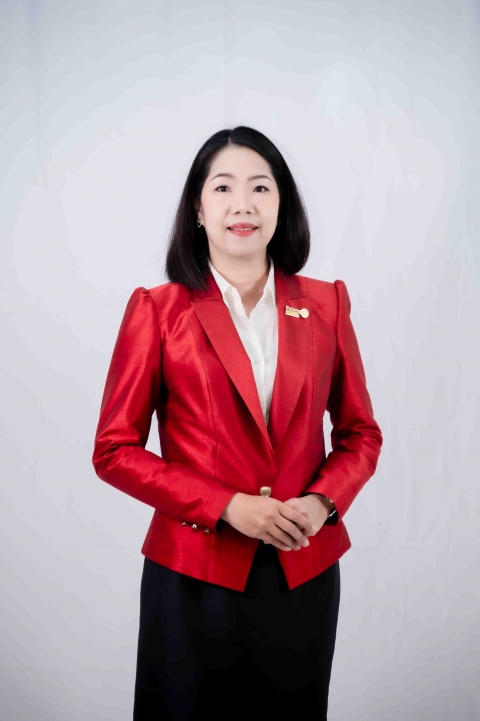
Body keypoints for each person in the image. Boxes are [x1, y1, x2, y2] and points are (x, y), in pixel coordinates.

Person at [92, 125, 383, 720]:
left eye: (261, 187)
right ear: (198, 209)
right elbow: (114, 450)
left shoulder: (326, 304)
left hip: (302, 571)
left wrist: (322, 503)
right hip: (192, 577)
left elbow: (360, 434)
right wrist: (225, 505)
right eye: (223, 187)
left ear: (282, 205)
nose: (242, 204)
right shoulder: (158, 310)